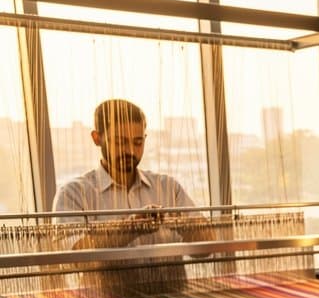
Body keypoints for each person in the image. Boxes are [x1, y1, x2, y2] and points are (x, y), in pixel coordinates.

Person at [54, 99, 208, 287]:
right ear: (97, 138)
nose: (130, 151)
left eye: (138, 142)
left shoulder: (168, 187)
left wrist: (185, 225)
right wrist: (132, 227)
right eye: (120, 142)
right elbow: (77, 258)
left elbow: (206, 248)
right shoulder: (73, 193)